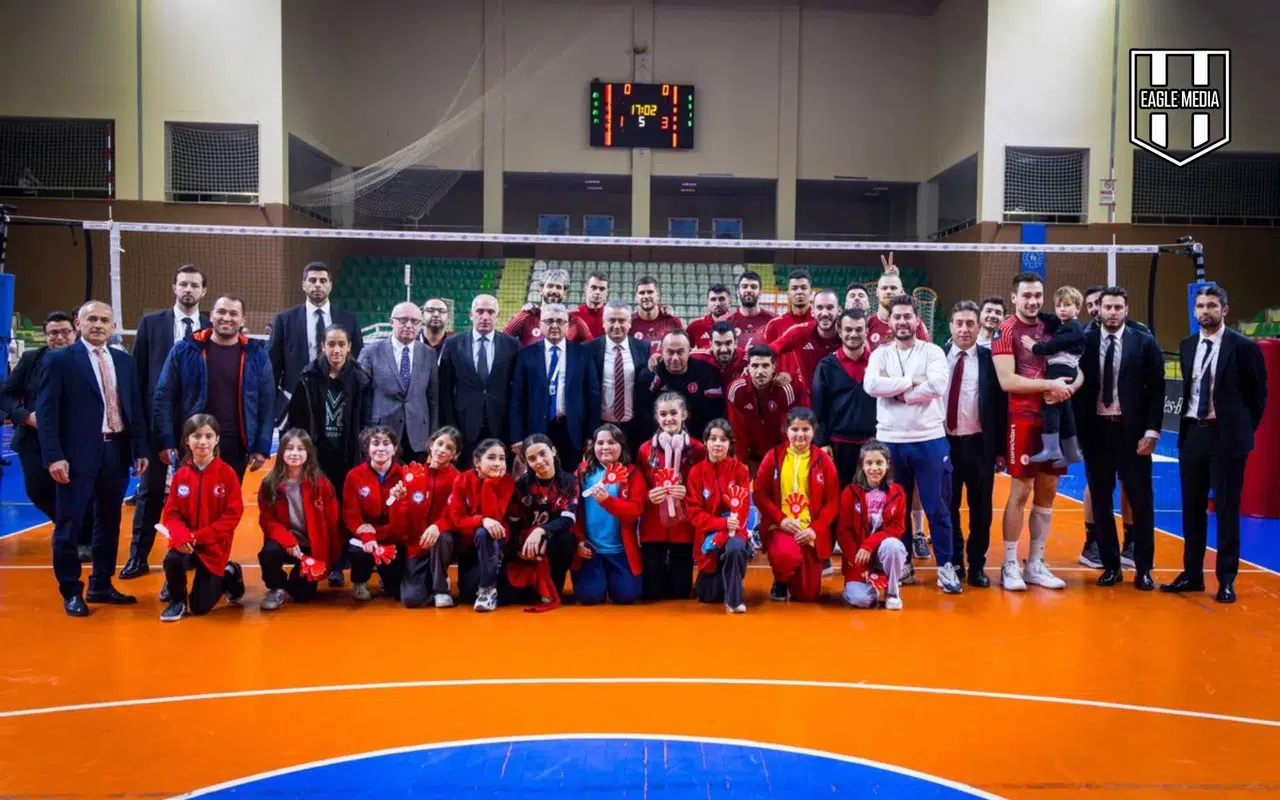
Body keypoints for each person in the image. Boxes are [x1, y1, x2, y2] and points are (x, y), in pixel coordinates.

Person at [36, 301, 149, 616]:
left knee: (109, 522)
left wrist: (140, 449)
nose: (98, 324)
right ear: (78, 323)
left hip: (116, 451)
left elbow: (134, 407)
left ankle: (101, 583)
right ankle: (71, 590)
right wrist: (54, 457)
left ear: (114, 327)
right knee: (69, 524)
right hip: (76, 456)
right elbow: (47, 413)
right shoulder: (60, 360)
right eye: (92, 319)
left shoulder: (124, 361)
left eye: (104, 320)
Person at [1164, 285, 1267, 604]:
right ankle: (1192, 574)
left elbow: (1257, 397)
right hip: (1193, 434)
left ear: (1225, 309)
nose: (1205, 311)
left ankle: (1226, 579)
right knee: (1192, 508)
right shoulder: (1187, 345)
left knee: (1226, 509)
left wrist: (1239, 431)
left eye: (1211, 305)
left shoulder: (1244, 347)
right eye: (1200, 306)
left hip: (1226, 437)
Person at [863, 294, 961, 594]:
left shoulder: (932, 351)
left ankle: (946, 565)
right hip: (890, 441)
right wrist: (912, 381)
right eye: (897, 316)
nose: (902, 321)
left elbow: (937, 385)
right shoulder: (880, 354)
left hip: (929, 439)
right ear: (890, 321)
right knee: (896, 509)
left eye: (908, 316)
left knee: (937, 507)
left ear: (917, 320)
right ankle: (903, 563)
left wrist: (898, 393)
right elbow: (871, 385)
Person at [992, 272, 1081, 592]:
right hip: (1024, 418)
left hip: (1056, 418)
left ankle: (1036, 563)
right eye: (1027, 296)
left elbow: (1077, 368)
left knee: (1049, 489)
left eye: (1038, 296)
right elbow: (1007, 380)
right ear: (1014, 297)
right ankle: (1010, 564)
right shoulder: (1005, 330)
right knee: (1021, 491)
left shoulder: (1055, 325)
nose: (1033, 301)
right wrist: (1048, 385)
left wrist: (1069, 388)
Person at [1073, 287, 1163, 590]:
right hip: (1097, 432)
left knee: (1142, 501)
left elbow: (1157, 390)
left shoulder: (1144, 342)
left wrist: (1152, 431)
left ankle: (1144, 568)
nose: (1112, 312)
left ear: (1126, 310)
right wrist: (1078, 433)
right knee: (1101, 501)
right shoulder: (1084, 342)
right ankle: (1111, 566)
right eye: (1107, 307)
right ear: (1098, 309)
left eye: (1117, 307)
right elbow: (1077, 391)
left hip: (1132, 434)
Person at [127, 265, 211, 577]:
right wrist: (139, 422)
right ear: (174, 287)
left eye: (194, 285)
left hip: (198, 423)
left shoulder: (212, 326)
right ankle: (138, 556)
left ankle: (192, 553)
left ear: (204, 291)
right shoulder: (151, 323)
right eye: (183, 284)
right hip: (158, 419)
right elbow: (138, 375)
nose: (188, 289)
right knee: (150, 491)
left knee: (196, 492)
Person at [0, 312, 96, 561]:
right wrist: (25, 416)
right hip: (34, 438)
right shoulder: (31, 359)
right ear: (46, 336)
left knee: (80, 490)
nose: (59, 337)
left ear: (75, 332)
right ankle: (64, 526)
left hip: (76, 439)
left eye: (65, 332)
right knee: (37, 490)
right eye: (53, 333)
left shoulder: (88, 358)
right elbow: (6, 395)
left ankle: (80, 537)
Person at [286, 324, 373, 585]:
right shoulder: (308, 378)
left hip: (348, 457)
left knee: (347, 511)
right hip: (318, 457)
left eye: (341, 344)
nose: (336, 349)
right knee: (322, 511)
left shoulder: (361, 380)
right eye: (331, 344)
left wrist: (363, 454)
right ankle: (323, 560)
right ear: (322, 346)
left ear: (349, 347)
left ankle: (341, 563)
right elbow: (296, 420)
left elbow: (365, 421)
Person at [157, 414, 246, 622]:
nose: (203, 441)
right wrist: (181, 536)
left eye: (209, 436)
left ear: (217, 439)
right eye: (196, 436)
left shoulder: (227, 474)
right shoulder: (181, 475)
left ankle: (230, 573)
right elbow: (171, 513)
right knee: (173, 559)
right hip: (185, 543)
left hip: (213, 546)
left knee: (200, 607)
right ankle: (177, 601)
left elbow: (232, 516)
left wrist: (198, 537)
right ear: (187, 440)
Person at [942, 301, 1006, 588]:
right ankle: (954, 561)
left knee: (981, 510)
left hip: (980, 445)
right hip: (945, 445)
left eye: (970, 323)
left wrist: (1001, 449)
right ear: (951, 326)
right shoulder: (937, 357)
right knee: (948, 508)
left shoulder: (991, 360)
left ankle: (977, 564)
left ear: (979, 327)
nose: (964, 329)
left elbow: (1001, 406)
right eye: (959, 323)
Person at [754, 407, 840, 602]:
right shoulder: (773, 456)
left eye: (805, 429)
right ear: (786, 431)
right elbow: (759, 494)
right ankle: (781, 579)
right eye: (794, 429)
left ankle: (795, 575)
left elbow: (833, 502)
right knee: (786, 556)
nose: (800, 434)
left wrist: (814, 529)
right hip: (781, 527)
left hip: (810, 531)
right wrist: (781, 520)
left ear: (814, 431)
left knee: (807, 595)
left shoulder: (824, 461)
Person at [268, 261, 363, 423]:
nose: (318, 285)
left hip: (338, 400)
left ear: (330, 285)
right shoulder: (284, 320)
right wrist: (275, 405)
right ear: (303, 285)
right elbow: (273, 366)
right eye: (312, 280)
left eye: (323, 281)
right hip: (295, 401)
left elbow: (356, 361)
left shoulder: (349, 319)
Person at [257, 429, 341, 610]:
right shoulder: (269, 484)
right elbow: (267, 520)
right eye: (289, 448)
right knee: (269, 553)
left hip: (310, 546)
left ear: (308, 453)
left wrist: (331, 560)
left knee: (303, 595)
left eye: (300, 449)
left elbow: (332, 522)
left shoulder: (321, 484)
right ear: (281, 452)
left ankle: (294, 583)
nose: (294, 453)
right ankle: (276, 587)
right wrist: (287, 540)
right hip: (284, 540)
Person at [510, 303, 601, 472]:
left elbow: (593, 396)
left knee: (571, 477)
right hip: (536, 428)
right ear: (540, 325)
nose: (554, 325)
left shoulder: (583, 353)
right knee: (539, 477)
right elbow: (517, 398)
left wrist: (591, 434)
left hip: (572, 429)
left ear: (567, 325)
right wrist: (517, 436)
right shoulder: (526, 354)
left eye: (560, 321)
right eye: (549, 321)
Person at [636, 392, 707, 601]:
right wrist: (648, 495)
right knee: (652, 592)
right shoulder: (645, 450)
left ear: (684, 414)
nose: (669, 418)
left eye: (674, 413)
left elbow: (705, 487)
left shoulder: (698, 450)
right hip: (653, 525)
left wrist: (688, 492)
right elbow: (639, 486)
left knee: (680, 592)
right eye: (663, 414)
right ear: (657, 417)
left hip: (683, 526)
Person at [438, 294, 520, 459]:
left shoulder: (512, 344)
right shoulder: (453, 343)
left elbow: (517, 390)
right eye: (480, 311)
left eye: (491, 312)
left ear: (498, 316)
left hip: (500, 425)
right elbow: (444, 390)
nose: (485, 317)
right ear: (471, 314)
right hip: (464, 426)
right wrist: (450, 427)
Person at [572, 424, 645, 606]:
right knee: (589, 597)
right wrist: (579, 541)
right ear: (593, 446)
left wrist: (607, 501)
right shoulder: (581, 473)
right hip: (591, 551)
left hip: (621, 551)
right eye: (600, 443)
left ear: (622, 446)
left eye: (611, 442)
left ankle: (613, 580)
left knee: (626, 596)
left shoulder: (633, 473)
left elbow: (634, 512)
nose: (605, 447)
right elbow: (572, 512)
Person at [506, 434, 581, 610]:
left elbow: (568, 519)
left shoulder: (568, 481)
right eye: (532, 459)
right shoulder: (521, 486)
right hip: (528, 546)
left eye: (543, 454)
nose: (539, 461)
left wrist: (541, 531)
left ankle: (555, 583)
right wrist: (519, 549)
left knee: (566, 539)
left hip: (554, 542)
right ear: (527, 462)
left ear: (553, 451)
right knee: (511, 597)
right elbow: (514, 521)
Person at [360, 301, 439, 464]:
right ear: (392, 322)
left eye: (415, 321)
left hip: (418, 436)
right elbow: (361, 396)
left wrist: (433, 435)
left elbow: (433, 398)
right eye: (403, 320)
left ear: (421, 325)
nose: (409, 325)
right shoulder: (371, 352)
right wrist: (366, 431)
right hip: (381, 435)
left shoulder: (429, 354)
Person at [687, 419, 752, 613]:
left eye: (723, 440)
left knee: (735, 548)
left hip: (734, 532)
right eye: (713, 439)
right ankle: (721, 581)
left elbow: (743, 508)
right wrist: (722, 524)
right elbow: (695, 513)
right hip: (708, 537)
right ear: (705, 441)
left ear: (730, 443)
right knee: (708, 596)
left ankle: (734, 601)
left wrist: (726, 531)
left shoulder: (740, 470)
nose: (718, 444)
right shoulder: (696, 473)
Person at [394, 426, 462, 609]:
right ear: (431, 445)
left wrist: (438, 526)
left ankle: (441, 588)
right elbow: (401, 522)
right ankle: (428, 581)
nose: (442, 450)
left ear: (455, 455)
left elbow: (457, 515)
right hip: (417, 546)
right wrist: (399, 502)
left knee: (443, 537)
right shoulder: (413, 475)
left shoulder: (459, 479)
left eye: (449, 448)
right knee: (411, 600)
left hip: (445, 543)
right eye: (439, 444)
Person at [444, 438, 516, 612]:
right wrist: (481, 520)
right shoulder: (462, 480)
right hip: (469, 545)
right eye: (491, 457)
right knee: (467, 595)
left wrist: (490, 484)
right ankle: (485, 580)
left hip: (496, 541)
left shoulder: (507, 482)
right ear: (477, 462)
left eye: (501, 458)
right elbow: (457, 519)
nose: (497, 463)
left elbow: (496, 516)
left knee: (485, 533)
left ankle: (487, 591)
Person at [836, 440, 908, 610]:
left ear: (887, 464)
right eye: (869, 463)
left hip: (881, 552)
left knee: (894, 546)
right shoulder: (850, 493)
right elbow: (843, 531)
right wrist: (859, 564)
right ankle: (868, 587)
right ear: (862, 465)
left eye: (879, 463)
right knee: (861, 601)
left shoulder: (898, 492)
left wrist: (869, 545)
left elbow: (897, 528)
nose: (874, 468)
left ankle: (892, 592)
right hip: (858, 559)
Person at [812, 309, 878, 486]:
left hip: (871, 446)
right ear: (840, 331)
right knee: (838, 497)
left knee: (871, 498)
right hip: (837, 446)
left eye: (859, 329)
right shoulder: (826, 365)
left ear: (866, 331)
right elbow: (818, 407)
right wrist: (822, 442)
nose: (853, 334)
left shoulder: (878, 363)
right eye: (848, 329)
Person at [343, 426, 408, 602]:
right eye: (375, 443)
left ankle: (387, 578)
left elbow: (404, 519)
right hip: (364, 538)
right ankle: (360, 581)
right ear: (367, 448)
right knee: (359, 552)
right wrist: (367, 536)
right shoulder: (354, 476)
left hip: (392, 536)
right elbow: (351, 515)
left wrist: (379, 533)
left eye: (386, 444)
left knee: (396, 592)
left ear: (394, 448)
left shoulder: (405, 475)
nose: (380, 448)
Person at [1027, 287, 1086, 466]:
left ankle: (1052, 447)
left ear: (1078, 308)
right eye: (1059, 306)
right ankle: (1072, 452)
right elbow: (1053, 319)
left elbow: (1053, 345)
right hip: (1063, 368)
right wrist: (1039, 313)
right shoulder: (1065, 324)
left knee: (1050, 404)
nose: (1062, 309)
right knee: (1065, 411)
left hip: (1061, 369)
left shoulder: (1074, 328)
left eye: (1067, 305)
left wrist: (1034, 347)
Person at [585, 301, 650, 455]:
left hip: (633, 426)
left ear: (630, 323)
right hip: (600, 426)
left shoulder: (643, 348)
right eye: (611, 320)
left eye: (621, 320)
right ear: (603, 323)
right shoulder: (588, 349)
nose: (616, 325)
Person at [637, 330, 724, 443]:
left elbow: (715, 413)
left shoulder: (706, 373)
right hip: (661, 440)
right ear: (662, 351)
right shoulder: (649, 376)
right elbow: (644, 417)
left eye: (680, 352)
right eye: (670, 352)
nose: (675, 358)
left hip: (698, 439)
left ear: (689, 351)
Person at [726, 344, 801, 467]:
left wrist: (788, 461)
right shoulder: (737, 390)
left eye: (765, 365)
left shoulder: (785, 391)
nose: (760, 371)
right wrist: (742, 462)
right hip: (751, 457)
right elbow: (737, 431)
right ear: (748, 368)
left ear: (773, 367)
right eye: (755, 366)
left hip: (779, 455)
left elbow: (788, 430)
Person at [769, 288, 842, 398]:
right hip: (811, 400)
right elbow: (769, 350)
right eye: (820, 308)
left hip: (842, 399)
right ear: (813, 311)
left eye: (830, 307)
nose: (825, 313)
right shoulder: (799, 333)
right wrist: (776, 373)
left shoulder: (849, 334)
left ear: (839, 310)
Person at [504, 268, 590, 345]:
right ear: (540, 289)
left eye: (558, 287)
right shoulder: (523, 317)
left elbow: (592, 349)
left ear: (565, 293)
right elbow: (502, 343)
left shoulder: (576, 323)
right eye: (550, 286)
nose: (554, 291)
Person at [867, 255, 931, 350]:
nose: (888, 291)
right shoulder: (868, 323)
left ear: (901, 291)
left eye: (893, 288)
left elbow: (927, 353)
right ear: (877, 292)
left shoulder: (915, 324)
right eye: (884, 288)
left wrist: (894, 277)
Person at [630, 276, 684, 347]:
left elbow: (682, 348)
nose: (646, 296)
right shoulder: (630, 323)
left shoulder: (673, 322)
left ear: (658, 296)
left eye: (650, 292)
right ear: (636, 297)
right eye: (642, 293)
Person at [763, 269, 813, 343]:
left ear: (811, 292)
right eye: (794, 288)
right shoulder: (774, 325)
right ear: (788, 293)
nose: (799, 292)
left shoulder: (821, 322)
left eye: (804, 288)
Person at [686, 284, 734, 349]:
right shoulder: (695, 327)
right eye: (713, 299)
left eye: (721, 299)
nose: (717, 304)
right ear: (708, 303)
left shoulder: (738, 324)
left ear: (730, 302)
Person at [570, 271, 611, 340]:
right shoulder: (573, 316)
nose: (597, 292)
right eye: (593, 287)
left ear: (607, 292)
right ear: (586, 289)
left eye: (602, 289)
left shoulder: (611, 317)